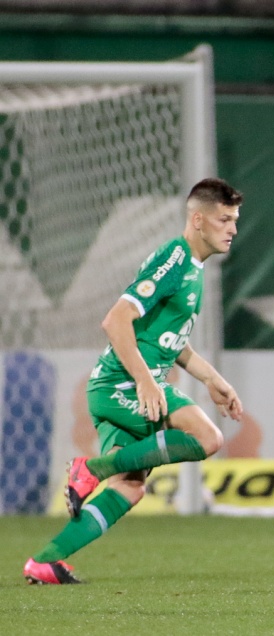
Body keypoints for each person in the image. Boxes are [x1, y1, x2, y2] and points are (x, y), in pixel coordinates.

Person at [23, 178, 245, 585]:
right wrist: (145, 381)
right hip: (120, 386)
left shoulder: (191, 268)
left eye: (234, 220)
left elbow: (171, 341)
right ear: (198, 220)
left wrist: (214, 380)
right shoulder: (175, 258)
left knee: (130, 486)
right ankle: (89, 468)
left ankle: (45, 561)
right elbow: (115, 319)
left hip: (124, 386)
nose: (232, 229)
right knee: (207, 438)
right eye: (224, 219)